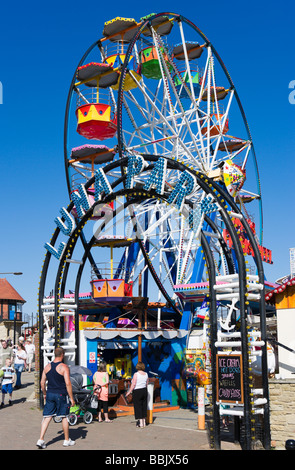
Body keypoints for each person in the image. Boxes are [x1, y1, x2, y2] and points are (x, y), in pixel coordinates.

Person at [36, 347, 76, 449]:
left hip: (50, 394)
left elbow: (42, 383)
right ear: (62, 354)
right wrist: (71, 398)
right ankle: (66, 440)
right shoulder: (64, 367)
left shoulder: (47, 367)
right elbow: (68, 383)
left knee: (47, 417)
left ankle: (41, 439)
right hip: (61, 395)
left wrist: (45, 393)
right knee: (64, 417)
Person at [125, 361, 149, 428]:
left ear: (137, 367)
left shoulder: (136, 374)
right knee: (144, 406)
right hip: (144, 390)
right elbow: (147, 383)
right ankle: (144, 422)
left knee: (138, 407)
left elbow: (133, 384)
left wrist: (129, 392)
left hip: (137, 391)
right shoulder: (146, 374)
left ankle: (140, 423)